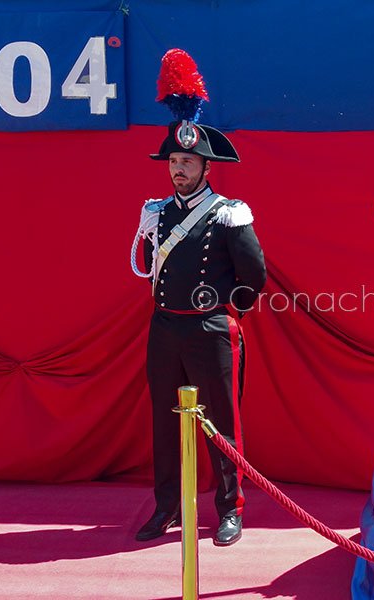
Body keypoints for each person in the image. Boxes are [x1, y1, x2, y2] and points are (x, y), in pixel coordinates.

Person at [131, 118, 266, 546]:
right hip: (165, 327)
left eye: (188, 162)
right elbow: (152, 267)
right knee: (165, 422)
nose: (179, 169)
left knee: (222, 422)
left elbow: (254, 275)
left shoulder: (228, 213)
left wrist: (224, 309)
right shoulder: (156, 213)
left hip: (210, 330)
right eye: (174, 161)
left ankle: (230, 511)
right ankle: (167, 507)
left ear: (207, 167)